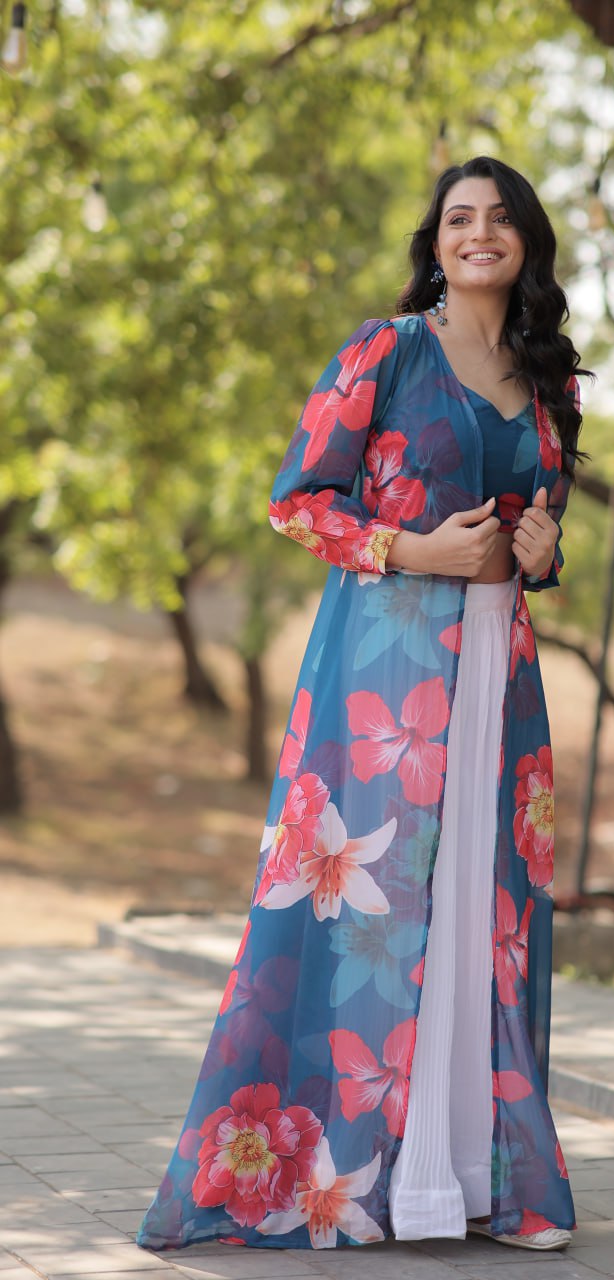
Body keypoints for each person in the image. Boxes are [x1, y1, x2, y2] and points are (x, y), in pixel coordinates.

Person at [137, 155, 586, 1257]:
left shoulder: (552, 380)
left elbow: (541, 526)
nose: (478, 233)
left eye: (499, 218)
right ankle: (364, 1182)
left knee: (488, 911)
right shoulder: (386, 350)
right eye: (457, 218)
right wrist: (411, 548)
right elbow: (296, 501)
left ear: (526, 241)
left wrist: (542, 551)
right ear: (435, 243)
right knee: (381, 912)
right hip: (387, 674)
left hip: (499, 673)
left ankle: (483, 1181)